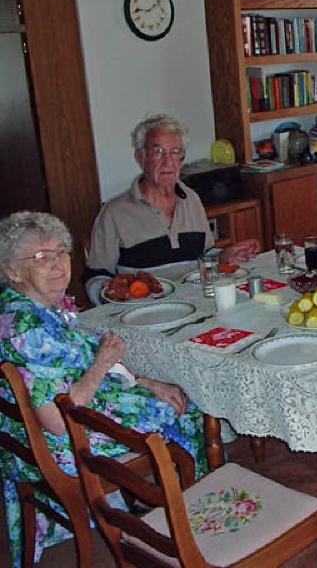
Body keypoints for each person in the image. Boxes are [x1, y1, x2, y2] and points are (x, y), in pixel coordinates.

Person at [0, 211, 207, 567]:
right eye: (41, 257)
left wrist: (143, 381)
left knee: (167, 390)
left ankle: (151, 504)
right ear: (13, 271)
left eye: (62, 252)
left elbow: (73, 370)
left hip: (41, 431)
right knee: (186, 411)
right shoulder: (27, 329)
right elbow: (60, 422)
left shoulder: (26, 308)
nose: (57, 265)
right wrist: (103, 362)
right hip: (62, 444)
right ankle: (185, 532)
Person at [84, 114, 259, 301]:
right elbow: (94, 279)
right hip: (143, 314)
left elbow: (203, 256)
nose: (168, 162)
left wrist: (224, 256)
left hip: (196, 304)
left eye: (175, 152)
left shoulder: (191, 200)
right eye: (158, 152)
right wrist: (112, 292)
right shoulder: (114, 213)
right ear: (140, 157)